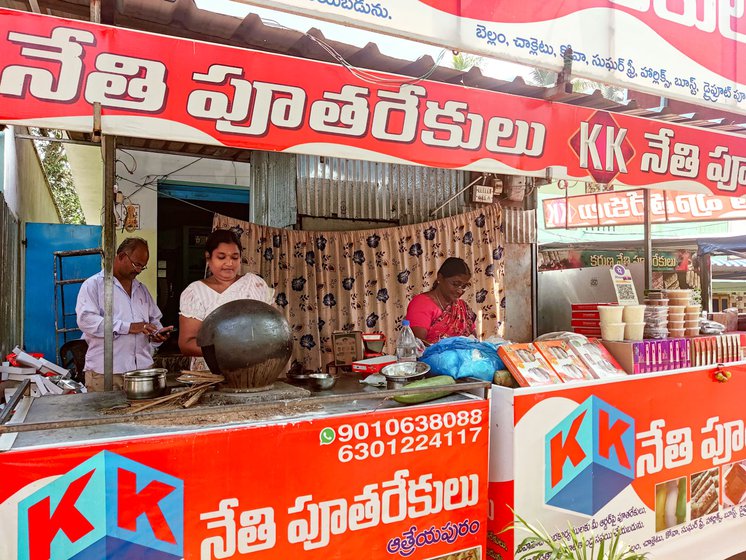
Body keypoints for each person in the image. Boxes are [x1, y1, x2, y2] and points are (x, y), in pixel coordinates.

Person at [76, 237, 171, 391]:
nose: (139, 270)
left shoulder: (142, 290)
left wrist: (157, 333)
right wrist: (127, 327)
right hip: (106, 372)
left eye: (143, 267)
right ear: (121, 256)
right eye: (137, 264)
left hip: (141, 371)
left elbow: (155, 320)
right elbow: (86, 320)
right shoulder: (94, 285)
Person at [178, 229, 274, 371]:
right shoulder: (195, 293)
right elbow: (186, 344)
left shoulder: (255, 284)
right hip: (210, 373)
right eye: (221, 257)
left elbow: (273, 327)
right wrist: (231, 352)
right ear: (208, 257)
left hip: (253, 369)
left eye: (235, 257)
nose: (229, 263)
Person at [405, 257, 477, 345]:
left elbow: (474, 340)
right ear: (440, 277)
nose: (460, 290)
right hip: (429, 357)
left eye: (464, 286)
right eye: (455, 284)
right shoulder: (421, 303)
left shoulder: (462, 307)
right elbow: (419, 345)